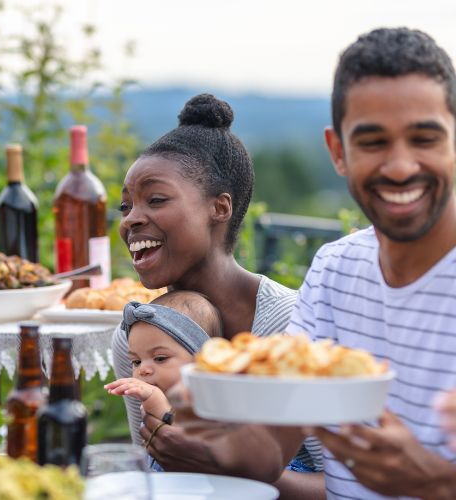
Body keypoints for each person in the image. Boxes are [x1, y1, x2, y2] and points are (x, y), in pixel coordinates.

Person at [168, 27, 456, 499]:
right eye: (373, 142)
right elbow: (269, 449)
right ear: (338, 152)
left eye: (424, 138)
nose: (401, 166)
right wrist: (214, 420)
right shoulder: (335, 269)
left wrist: (438, 483)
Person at [113, 93, 325, 498]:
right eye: (126, 206)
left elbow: (348, 487)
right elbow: (156, 472)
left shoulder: (291, 326)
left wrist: (222, 465)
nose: (131, 219)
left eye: (155, 199)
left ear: (220, 207)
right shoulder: (136, 338)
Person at [105, 290, 223, 471]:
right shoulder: (149, 403)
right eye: (136, 361)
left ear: (202, 362)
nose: (143, 370)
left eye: (160, 358)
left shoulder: (211, 403)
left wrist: (158, 405)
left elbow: (197, 445)